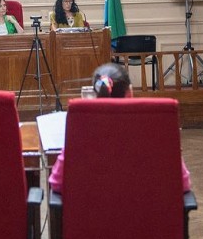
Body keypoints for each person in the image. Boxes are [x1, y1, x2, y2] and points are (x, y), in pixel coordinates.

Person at [48, 63, 191, 195]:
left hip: (93, 214)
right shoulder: (157, 126)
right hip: (150, 214)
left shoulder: (81, 129)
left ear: (96, 94)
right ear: (130, 92)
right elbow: (183, 184)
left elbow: (56, 182)